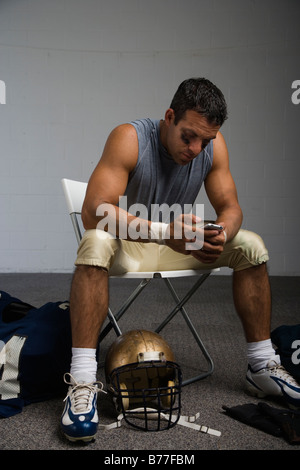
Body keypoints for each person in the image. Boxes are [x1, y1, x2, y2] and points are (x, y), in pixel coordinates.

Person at [60, 78, 300, 442]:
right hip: (131, 242)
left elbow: (232, 208)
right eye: (188, 136)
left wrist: (217, 231)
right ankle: (81, 380)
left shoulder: (212, 146)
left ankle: (262, 364)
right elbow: (95, 213)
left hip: (179, 242)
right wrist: (164, 232)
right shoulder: (129, 137)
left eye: (205, 140)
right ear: (169, 117)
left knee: (250, 244)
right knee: (93, 243)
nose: (196, 148)